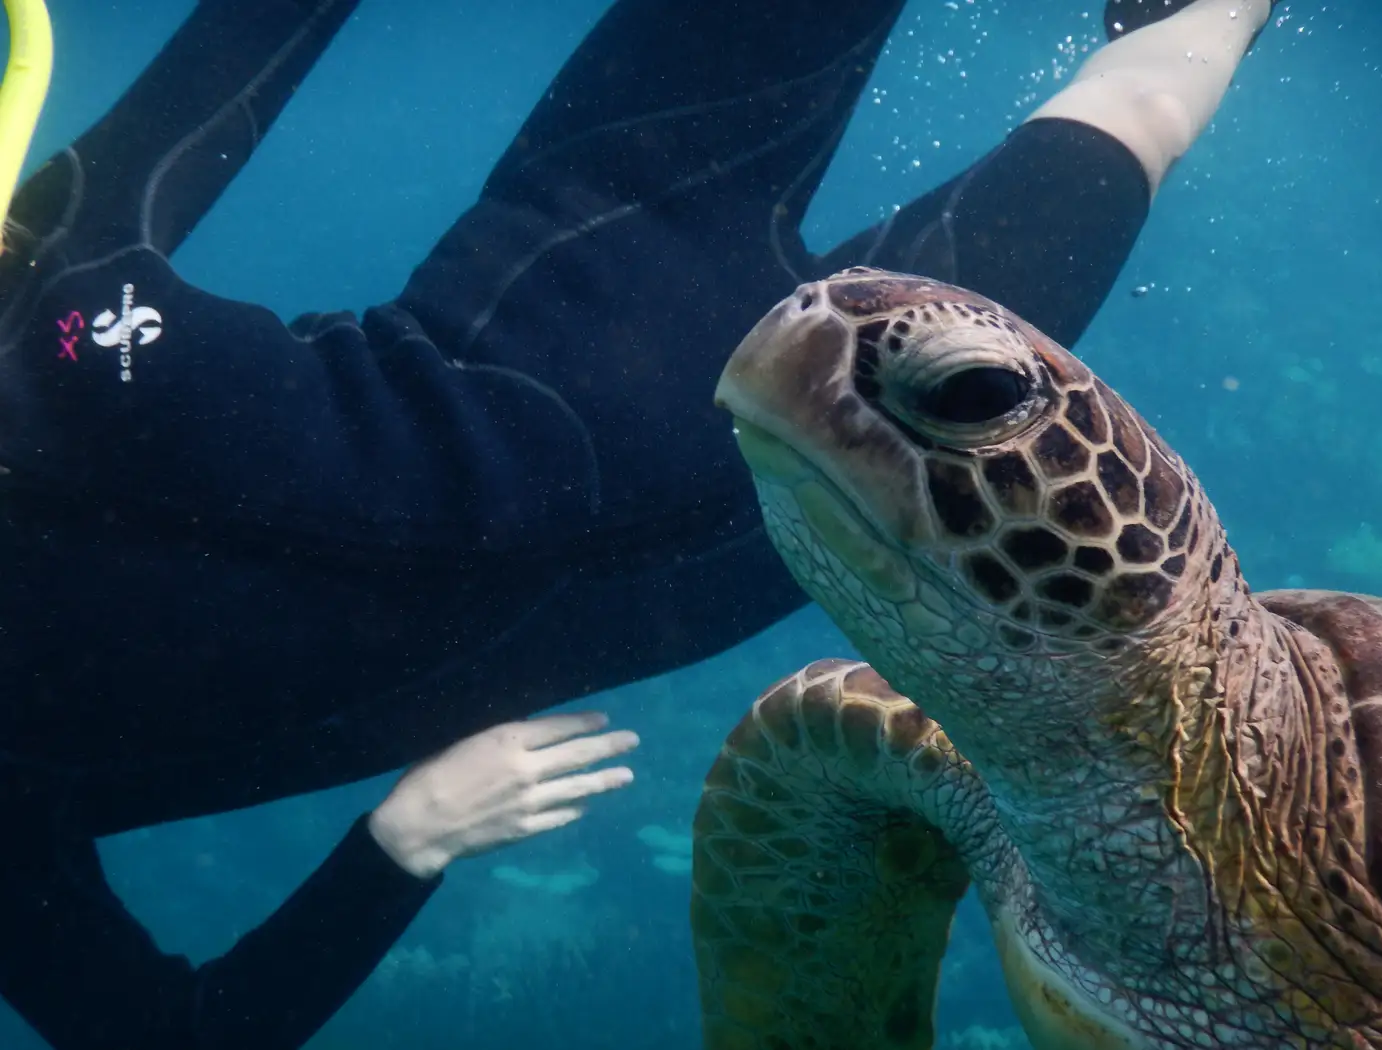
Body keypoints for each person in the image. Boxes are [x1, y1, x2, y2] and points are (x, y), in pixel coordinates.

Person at [0, 0, 1280, 1046]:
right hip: (718, 521)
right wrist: (402, 843)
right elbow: (169, 1037)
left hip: (569, 254)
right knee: (1138, 106)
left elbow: (202, 94)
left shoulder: (26, 267)